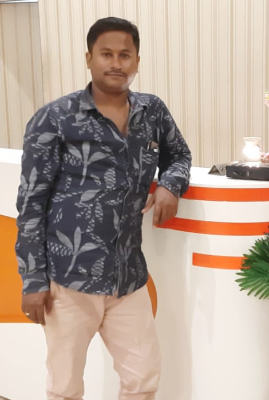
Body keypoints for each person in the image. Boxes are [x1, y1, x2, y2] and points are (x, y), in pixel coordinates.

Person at [15, 17, 191, 400]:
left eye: (125, 55)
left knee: (143, 379)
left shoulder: (152, 111)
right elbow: (31, 204)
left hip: (128, 277)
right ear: (89, 58)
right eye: (106, 54)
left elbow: (179, 154)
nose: (116, 63)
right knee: (64, 387)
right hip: (69, 278)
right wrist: (33, 280)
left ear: (137, 60)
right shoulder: (55, 118)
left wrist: (170, 185)